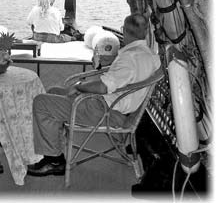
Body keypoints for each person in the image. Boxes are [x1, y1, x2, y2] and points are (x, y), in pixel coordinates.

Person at [27, 13, 161, 176]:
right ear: (145, 33)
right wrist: (106, 64)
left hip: (105, 111)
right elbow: (128, 76)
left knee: (41, 102)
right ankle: (56, 147)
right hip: (113, 106)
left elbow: (103, 87)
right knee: (54, 91)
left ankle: (54, 160)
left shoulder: (129, 58)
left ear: (124, 30)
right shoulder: (150, 55)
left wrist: (79, 86)